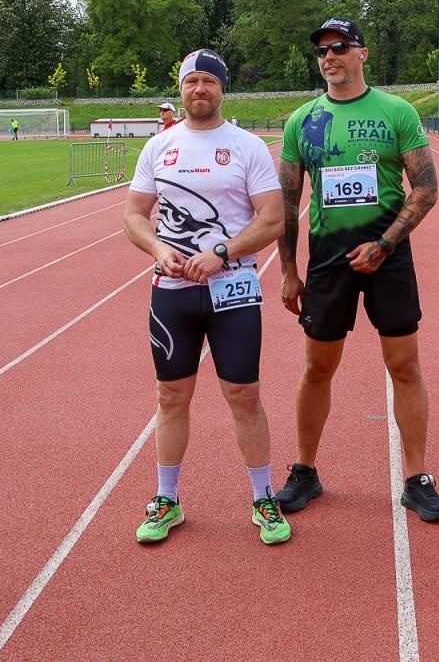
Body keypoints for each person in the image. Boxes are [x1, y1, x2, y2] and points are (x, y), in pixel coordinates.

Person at [274, 18, 439, 521]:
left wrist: (384, 244)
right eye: (322, 52)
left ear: (362, 54)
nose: (329, 57)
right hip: (328, 255)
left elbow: (426, 187)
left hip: (388, 252)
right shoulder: (301, 121)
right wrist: (289, 271)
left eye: (340, 48)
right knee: (317, 367)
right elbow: (288, 202)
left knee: (404, 365)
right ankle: (304, 471)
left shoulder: (396, 112)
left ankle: (417, 479)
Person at [123, 48, 289, 545]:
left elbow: (272, 219)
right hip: (172, 291)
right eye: (191, 81)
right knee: (170, 396)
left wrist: (222, 250)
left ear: (222, 89)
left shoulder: (246, 146)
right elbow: (133, 216)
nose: (200, 89)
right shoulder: (159, 147)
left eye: (209, 82)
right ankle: (167, 500)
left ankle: (263, 498)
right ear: (181, 89)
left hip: (233, 288)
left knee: (244, 395)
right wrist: (156, 247)